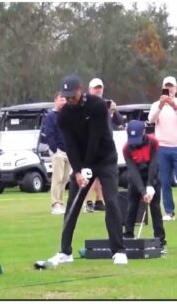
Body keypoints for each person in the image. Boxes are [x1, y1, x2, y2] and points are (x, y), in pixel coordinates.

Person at [48, 74, 127, 265]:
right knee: (73, 205)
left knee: (111, 201)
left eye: (71, 96)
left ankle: (118, 251)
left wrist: (87, 168)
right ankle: (65, 251)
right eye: (65, 97)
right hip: (82, 162)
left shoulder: (97, 105)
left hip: (105, 158)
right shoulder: (64, 115)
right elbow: (71, 145)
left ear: (80, 90)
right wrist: (77, 171)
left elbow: (95, 137)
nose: (69, 100)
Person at [122, 120, 167, 253]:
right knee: (132, 207)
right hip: (136, 178)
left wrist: (150, 186)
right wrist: (142, 191)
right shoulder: (126, 148)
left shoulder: (153, 142)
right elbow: (133, 171)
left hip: (151, 175)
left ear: (143, 132)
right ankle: (128, 238)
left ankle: (160, 241)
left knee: (155, 209)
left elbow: (154, 164)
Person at [83, 78, 123, 212]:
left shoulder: (107, 104)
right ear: (90, 90)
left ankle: (100, 201)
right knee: (89, 175)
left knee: (102, 176)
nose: (98, 90)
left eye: (100, 87)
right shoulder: (86, 104)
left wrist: (113, 110)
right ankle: (88, 202)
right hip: (90, 145)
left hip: (106, 146)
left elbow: (119, 121)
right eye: (95, 88)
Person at [148, 76, 177, 221]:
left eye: (171, 86)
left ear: (176, 89)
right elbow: (151, 120)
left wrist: (174, 106)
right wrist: (161, 105)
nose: (169, 89)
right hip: (162, 147)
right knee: (165, 181)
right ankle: (169, 211)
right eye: (167, 86)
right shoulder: (156, 105)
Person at [42, 92, 71, 215]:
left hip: (68, 151)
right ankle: (55, 204)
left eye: (65, 100)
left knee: (65, 179)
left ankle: (61, 202)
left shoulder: (68, 115)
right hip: (57, 151)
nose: (64, 102)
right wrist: (55, 150)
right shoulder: (50, 116)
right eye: (61, 99)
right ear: (55, 100)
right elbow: (49, 134)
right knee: (57, 178)